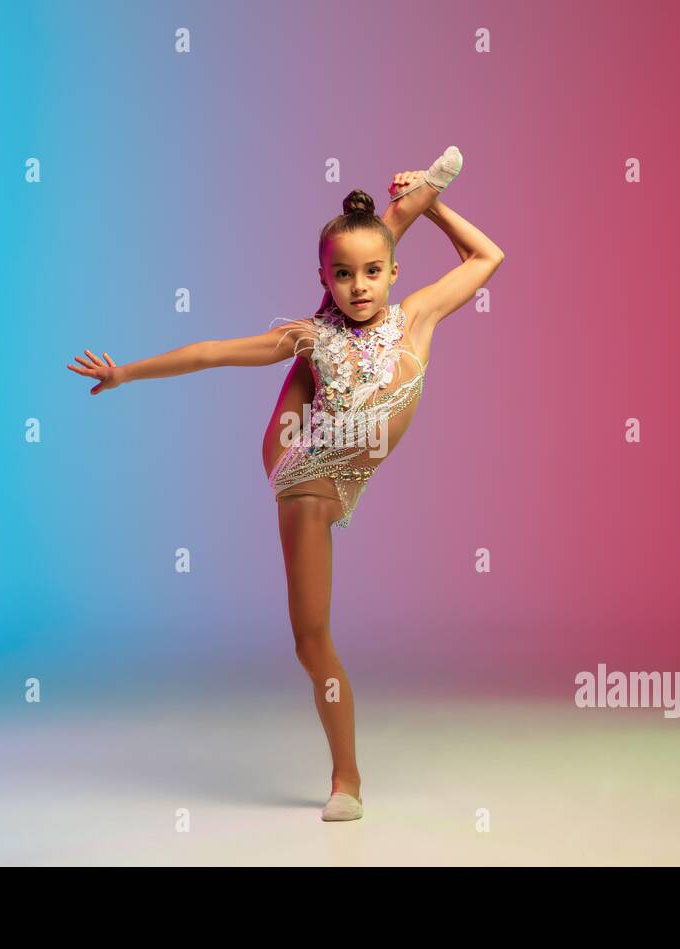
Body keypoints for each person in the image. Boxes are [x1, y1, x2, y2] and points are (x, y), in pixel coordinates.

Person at [67, 147, 504, 821]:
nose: (359, 286)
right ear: (325, 277)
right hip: (303, 471)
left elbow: (487, 259)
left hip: (346, 430)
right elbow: (213, 352)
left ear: (395, 272)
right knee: (310, 641)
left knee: (335, 325)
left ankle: (405, 206)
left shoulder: (416, 315)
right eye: (341, 275)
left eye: (371, 273)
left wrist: (436, 205)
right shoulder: (311, 334)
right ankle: (346, 778)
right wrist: (126, 371)